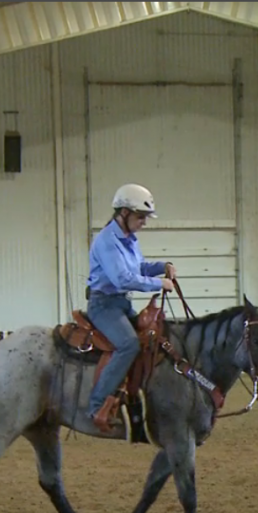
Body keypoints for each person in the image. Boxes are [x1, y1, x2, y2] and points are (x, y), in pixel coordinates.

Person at [85, 183, 176, 432]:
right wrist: (159, 283)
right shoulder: (107, 242)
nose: (144, 222)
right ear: (123, 213)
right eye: (141, 217)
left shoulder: (127, 239)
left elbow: (138, 268)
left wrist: (161, 266)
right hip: (104, 306)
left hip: (121, 304)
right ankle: (96, 406)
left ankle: (133, 396)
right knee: (128, 344)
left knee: (152, 338)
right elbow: (122, 279)